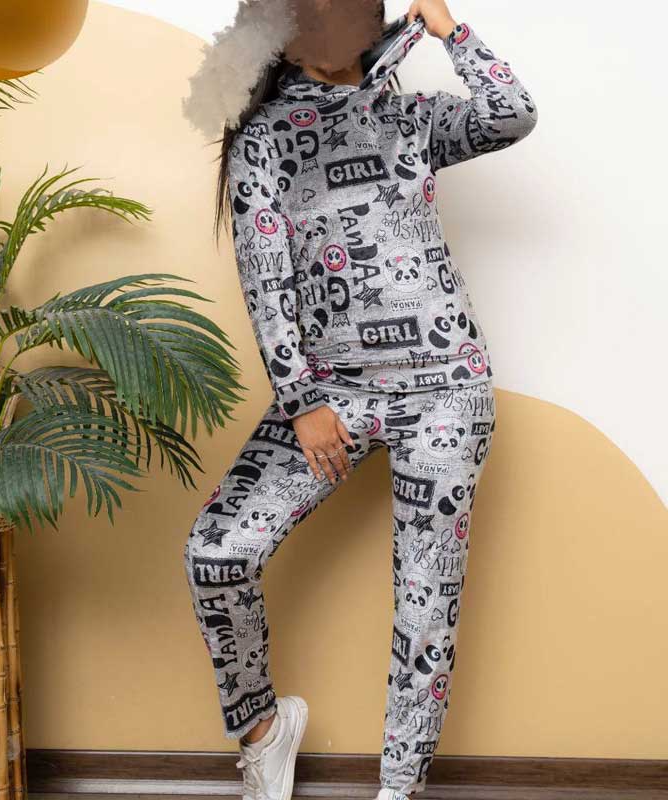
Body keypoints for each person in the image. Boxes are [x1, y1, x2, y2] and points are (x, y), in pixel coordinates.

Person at [183, 0, 538, 797]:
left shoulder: (410, 118)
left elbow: (512, 114)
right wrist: (302, 399)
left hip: (445, 387)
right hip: (329, 393)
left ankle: (397, 789)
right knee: (217, 553)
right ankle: (264, 731)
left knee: (425, 597)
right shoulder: (263, 137)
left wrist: (449, 30)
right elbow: (266, 279)